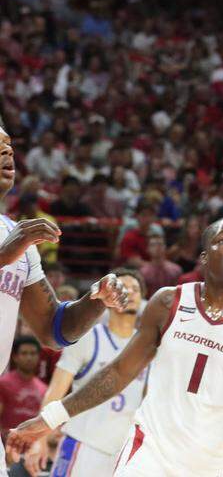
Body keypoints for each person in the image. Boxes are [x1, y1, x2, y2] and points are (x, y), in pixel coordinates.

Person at [7, 217, 223, 477]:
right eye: (222, 240)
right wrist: (50, 418)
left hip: (206, 464)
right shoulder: (168, 302)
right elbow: (118, 373)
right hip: (147, 453)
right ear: (203, 257)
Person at [0, 120, 129, 474]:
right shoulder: (15, 244)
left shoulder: (17, 237)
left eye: (9, 145)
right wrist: (4, 256)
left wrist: (94, 301)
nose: (7, 151)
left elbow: (53, 330)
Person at [41, 268, 148, 477]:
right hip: (82, 444)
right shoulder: (89, 337)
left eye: (136, 289)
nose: (131, 293)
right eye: (124, 287)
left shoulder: (147, 346)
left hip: (123, 453)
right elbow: (55, 392)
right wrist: (41, 437)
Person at [0, 336, 48, 434]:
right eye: (24, 353)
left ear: (39, 357)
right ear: (15, 357)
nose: (29, 358)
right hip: (5, 443)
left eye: (33, 353)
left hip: (32, 445)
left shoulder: (44, 389)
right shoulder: (3, 383)